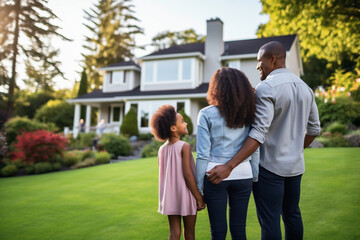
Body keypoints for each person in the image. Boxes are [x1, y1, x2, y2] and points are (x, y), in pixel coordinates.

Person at [207, 41, 321, 240]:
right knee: (293, 215)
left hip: (269, 169)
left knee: (270, 221)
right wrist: (295, 149)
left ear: (273, 59)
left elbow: (258, 133)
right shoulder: (306, 88)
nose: (258, 66)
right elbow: (314, 129)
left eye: (260, 61)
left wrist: (229, 166)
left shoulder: (266, 87)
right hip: (296, 167)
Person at [195, 67, 259, 240]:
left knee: (218, 232)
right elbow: (255, 146)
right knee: (239, 230)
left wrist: (199, 188)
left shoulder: (206, 114)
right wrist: (254, 175)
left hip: (214, 176)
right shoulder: (250, 112)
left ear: (216, 87)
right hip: (243, 173)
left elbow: (202, 154)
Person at [150, 105, 206, 240]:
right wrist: (199, 197)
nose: (186, 123)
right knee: (190, 233)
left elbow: (165, 174)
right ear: (173, 128)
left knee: (174, 233)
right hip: (186, 195)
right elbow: (188, 175)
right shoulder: (184, 147)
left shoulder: (161, 150)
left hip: (170, 197)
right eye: (182, 121)